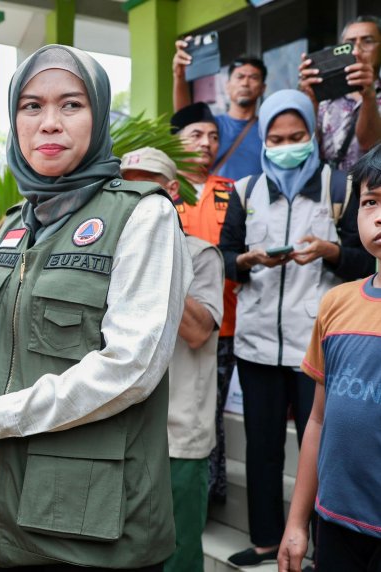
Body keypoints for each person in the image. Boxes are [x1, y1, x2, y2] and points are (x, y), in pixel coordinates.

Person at [0, 44, 192, 571]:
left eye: (70, 105)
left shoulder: (144, 217)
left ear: (98, 117)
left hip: (91, 528)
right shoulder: (13, 226)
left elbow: (131, 367)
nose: (49, 123)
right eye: (31, 106)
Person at [218, 89, 375, 567]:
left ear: (313, 134)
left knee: (324, 446)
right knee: (264, 449)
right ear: (264, 139)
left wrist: (330, 252)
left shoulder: (341, 188)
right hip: (258, 341)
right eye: (277, 137)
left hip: (321, 346)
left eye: (298, 136)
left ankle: (321, 541)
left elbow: (362, 258)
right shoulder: (245, 191)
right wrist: (246, 260)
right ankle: (268, 539)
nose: (287, 144)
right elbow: (225, 257)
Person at [278, 143, 381, 572]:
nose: (379, 215)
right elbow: (317, 420)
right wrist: (297, 522)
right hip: (336, 523)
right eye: (371, 202)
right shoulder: (337, 303)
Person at [122, 147, 224, 572]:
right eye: (126, 186)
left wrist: (160, 261)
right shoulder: (111, 254)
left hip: (179, 434)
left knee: (179, 553)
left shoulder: (201, 254)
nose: (135, 195)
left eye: (147, 185)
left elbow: (199, 331)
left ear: (171, 192)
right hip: (124, 429)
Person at [169, 102, 239, 504]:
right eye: (196, 134)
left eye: (213, 136)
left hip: (218, 321)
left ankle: (208, 495)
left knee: (208, 414)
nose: (207, 143)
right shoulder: (160, 188)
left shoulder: (232, 191)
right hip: (167, 322)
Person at [173, 43, 267, 181]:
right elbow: (185, 118)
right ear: (227, 85)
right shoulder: (213, 126)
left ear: (263, 88)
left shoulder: (269, 130)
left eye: (253, 77)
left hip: (254, 202)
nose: (245, 83)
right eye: (240, 77)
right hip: (214, 200)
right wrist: (179, 76)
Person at [299, 15, 381, 172]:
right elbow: (304, 149)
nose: (357, 50)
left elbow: (371, 145)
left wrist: (369, 95)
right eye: (349, 43)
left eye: (368, 41)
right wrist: (310, 101)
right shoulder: (324, 98)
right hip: (332, 192)